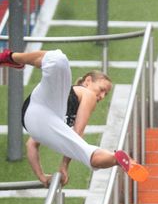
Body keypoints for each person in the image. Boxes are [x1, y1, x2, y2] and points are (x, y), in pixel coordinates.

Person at [0, 48, 148, 185]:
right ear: (88, 81)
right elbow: (78, 132)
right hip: (43, 106)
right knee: (58, 59)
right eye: (102, 89)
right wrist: (64, 165)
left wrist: (42, 177)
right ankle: (11, 57)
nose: (102, 96)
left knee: (89, 154)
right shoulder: (87, 93)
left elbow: (31, 144)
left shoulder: (63, 119)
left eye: (106, 94)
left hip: (36, 121)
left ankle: (116, 159)